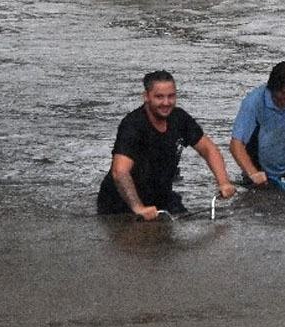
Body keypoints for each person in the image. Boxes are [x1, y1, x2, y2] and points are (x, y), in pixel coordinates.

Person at [97, 70, 236, 219]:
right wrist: (138, 208)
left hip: (161, 197)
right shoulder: (133, 125)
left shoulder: (180, 118)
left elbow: (208, 149)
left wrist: (223, 182)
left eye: (171, 96)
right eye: (159, 97)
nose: (166, 103)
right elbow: (120, 172)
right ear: (146, 97)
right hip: (120, 204)